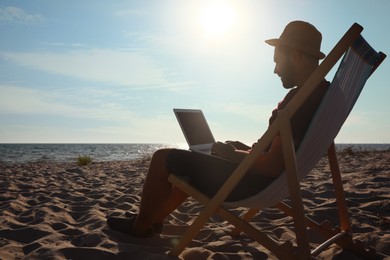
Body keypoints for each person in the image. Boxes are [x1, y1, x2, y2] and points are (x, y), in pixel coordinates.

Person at [107, 20, 329, 238]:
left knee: (161, 158)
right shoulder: (319, 94)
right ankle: (151, 219)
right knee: (202, 160)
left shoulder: (299, 102)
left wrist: (232, 155)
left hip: (251, 183)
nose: (275, 70)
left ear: (296, 56)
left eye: (277, 61)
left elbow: (271, 165)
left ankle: (140, 226)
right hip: (266, 180)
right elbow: (279, 154)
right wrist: (240, 150)